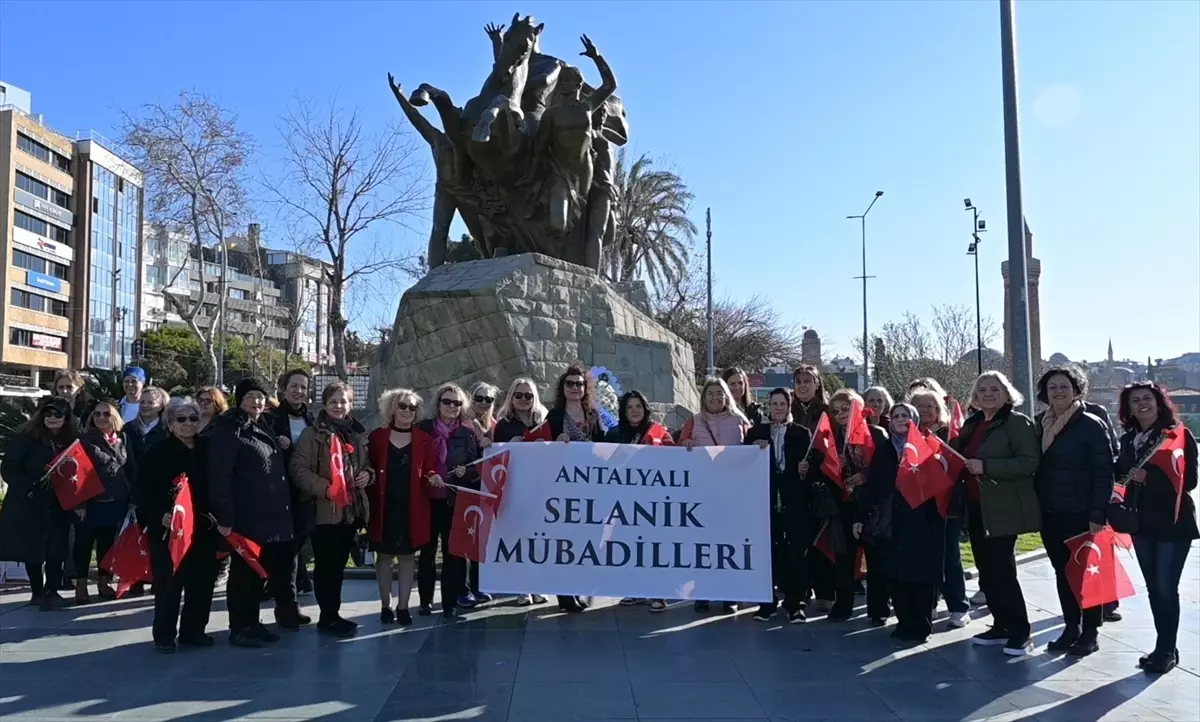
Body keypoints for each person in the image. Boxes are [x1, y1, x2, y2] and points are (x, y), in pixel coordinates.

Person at [952, 371, 1041, 656]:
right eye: (982, 390)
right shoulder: (973, 423)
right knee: (987, 572)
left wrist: (987, 467)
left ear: (1006, 393)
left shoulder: (1017, 423)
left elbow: (1029, 462)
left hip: (1003, 508)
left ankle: (1020, 632)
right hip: (976, 507)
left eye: (994, 389)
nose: (988, 394)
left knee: (1002, 570)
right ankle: (1001, 624)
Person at [208, 378, 300, 648]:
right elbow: (220, 477)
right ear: (239, 400)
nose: (256, 402)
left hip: (268, 516)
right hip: (244, 517)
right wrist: (225, 517)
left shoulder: (263, 426)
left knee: (258, 573)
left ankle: (253, 622)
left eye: (260, 396)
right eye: (250, 396)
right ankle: (240, 627)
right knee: (242, 576)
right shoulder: (230, 429)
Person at [1031, 367, 1115, 656]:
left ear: (1076, 390)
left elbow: (1104, 472)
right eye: (1052, 387)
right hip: (1051, 511)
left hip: (1081, 512)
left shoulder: (1091, 424)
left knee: (1087, 573)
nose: (1058, 391)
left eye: (1064, 386)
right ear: (1045, 393)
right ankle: (1071, 627)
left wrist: (1098, 513)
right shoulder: (1040, 424)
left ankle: (1090, 632)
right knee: (1063, 572)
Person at [1117, 383, 1198, 674]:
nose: (1142, 403)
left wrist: (1148, 479)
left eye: (1147, 398)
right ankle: (1164, 647)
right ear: (1128, 408)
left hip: (1172, 522)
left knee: (1165, 587)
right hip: (1141, 523)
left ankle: (1166, 650)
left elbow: (1189, 481)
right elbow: (1121, 474)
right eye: (1135, 400)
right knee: (1153, 589)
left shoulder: (1177, 435)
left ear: (1159, 402)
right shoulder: (1128, 439)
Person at [855, 403, 946, 643]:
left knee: (920, 573)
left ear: (914, 419)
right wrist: (861, 517)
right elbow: (873, 486)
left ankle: (921, 624)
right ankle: (904, 622)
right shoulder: (884, 450)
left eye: (906, 415)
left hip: (921, 520)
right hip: (891, 521)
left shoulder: (926, 446)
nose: (900, 419)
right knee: (896, 574)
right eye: (896, 415)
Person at [134, 397, 219, 653]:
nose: (188, 423)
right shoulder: (157, 451)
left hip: (203, 527)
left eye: (193, 418)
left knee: (202, 582)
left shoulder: (208, 449)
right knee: (169, 584)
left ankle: (194, 632)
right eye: (181, 419)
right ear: (170, 423)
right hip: (168, 530)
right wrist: (160, 515)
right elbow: (142, 491)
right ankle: (164, 635)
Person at [291, 381, 373, 638]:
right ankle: (328, 616)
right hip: (325, 511)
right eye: (333, 402)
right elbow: (298, 469)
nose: (338, 406)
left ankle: (333, 614)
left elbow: (368, 464)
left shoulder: (357, 433)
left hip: (350, 511)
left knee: (338, 567)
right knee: (327, 567)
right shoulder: (313, 434)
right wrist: (326, 489)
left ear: (351, 404)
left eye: (343, 401)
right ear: (325, 405)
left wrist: (368, 475)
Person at [527, 364, 608, 612]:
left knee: (585, 541)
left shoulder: (592, 415)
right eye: (570, 383)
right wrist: (555, 442)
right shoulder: (554, 416)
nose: (575, 388)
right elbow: (541, 447)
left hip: (589, 487)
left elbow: (603, 445)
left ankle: (578, 588)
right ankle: (564, 594)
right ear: (563, 388)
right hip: (561, 489)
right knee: (565, 542)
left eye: (579, 384)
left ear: (586, 388)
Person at [367, 389, 444, 625]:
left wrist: (433, 476)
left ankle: (403, 607)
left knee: (407, 557)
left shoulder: (424, 439)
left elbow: (429, 467)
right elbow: (368, 466)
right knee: (384, 558)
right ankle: (385, 606)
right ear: (392, 408)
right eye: (402, 406)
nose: (408, 411)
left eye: (412, 407)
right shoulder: (377, 437)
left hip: (411, 508)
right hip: (383, 507)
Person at [680, 376, 751, 614]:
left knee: (730, 544)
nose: (715, 397)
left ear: (726, 396)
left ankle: (730, 594)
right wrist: (685, 443)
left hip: (733, 493)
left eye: (719, 393)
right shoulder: (694, 421)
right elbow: (680, 446)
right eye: (710, 393)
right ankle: (703, 592)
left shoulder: (740, 420)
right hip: (703, 492)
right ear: (703, 397)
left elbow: (752, 447)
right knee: (703, 543)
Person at [0, 396, 76, 610]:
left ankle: (52, 590)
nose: (52, 418)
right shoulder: (26, 437)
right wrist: (29, 487)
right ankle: (37, 591)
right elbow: (9, 467)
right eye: (47, 413)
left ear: (66, 418)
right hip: (30, 501)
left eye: (57, 414)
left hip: (58, 502)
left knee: (57, 547)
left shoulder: (70, 439)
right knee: (33, 548)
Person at [745, 388, 812, 623]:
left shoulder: (802, 433)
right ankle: (766, 604)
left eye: (783, 403)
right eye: (774, 404)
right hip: (766, 501)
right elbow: (743, 462)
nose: (779, 408)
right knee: (767, 553)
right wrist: (754, 449)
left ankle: (795, 604)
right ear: (768, 406)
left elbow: (812, 466)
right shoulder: (756, 432)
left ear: (789, 406)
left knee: (796, 554)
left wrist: (805, 470)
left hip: (794, 502)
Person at [820, 388, 886, 623]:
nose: (840, 414)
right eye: (835, 410)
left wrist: (865, 476)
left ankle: (878, 609)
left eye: (845, 409)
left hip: (869, 506)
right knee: (843, 557)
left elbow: (886, 471)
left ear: (858, 408)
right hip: (843, 504)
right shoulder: (832, 437)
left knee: (875, 559)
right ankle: (843, 605)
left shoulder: (876, 433)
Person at [418, 382, 481, 619]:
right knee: (427, 552)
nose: (452, 406)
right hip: (427, 500)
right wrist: (428, 475)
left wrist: (467, 471)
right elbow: (415, 462)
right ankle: (425, 601)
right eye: (447, 401)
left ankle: (449, 603)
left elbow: (476, 466)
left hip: (454, 501)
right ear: (438, 403)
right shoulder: (424, 429)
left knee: (453, 554)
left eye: (457, 403)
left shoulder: (466, 433)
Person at [909, 387, 970, 629]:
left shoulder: (950, 435)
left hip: (947, 503)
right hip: (919, 505)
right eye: (919, 406)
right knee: (923, 556)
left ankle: (958, 606)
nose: (925, 411)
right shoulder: (909, 434)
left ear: (939, 410)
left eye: (930, 406)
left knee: (950, 556)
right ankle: (929, 602)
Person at [607, 390, 675, 610]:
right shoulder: (614, 434)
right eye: (629, 407)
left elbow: (674, 459)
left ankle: (659, 593)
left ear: (645, 409)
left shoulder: (658, 431)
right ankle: (634, 589)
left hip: (653, 501)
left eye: (638, 406)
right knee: (629, 545)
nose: (634, 411)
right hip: (624, 500)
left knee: (654, 547)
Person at [491, 377, 549, 607]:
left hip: (539, 487)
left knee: (538, 538)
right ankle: (521, 588)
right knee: (517, 538)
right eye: (519, 395)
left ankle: (537, 585)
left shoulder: (543, 421)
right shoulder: (503, 425)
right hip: (513, 488)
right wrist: (510, 445)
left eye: (528, 395)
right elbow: (495, 457)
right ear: (511, 398)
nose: (523, 399)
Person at [72, 400, 135, 604]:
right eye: (97, 414)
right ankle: (81, 584)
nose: (101, 418)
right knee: (84, 544)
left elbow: (130, 467)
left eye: (106, 414)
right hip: (91, 502)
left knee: (107, 544)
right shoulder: (84, 440)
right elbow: (77, 473)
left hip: (116, 500)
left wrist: (132, 495)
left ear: (114, 416)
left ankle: (103, 581)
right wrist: (79, 504)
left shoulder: (123, 438)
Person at [267, 369, 316, 603]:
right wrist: (279, 444)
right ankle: (286, 597)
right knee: (286, 545)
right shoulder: (272, 418)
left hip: (305, 491)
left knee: (297, 542)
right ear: (283, 389)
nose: (298, 391)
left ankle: (294, 585)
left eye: (303, 387)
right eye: (293, 386)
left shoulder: (312, 420)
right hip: (280, 490)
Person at [464, 380, 500, 603]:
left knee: (481, 540)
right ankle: (465, 588)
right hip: (469, 486)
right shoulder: (466, 424)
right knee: (467, 540)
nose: (484, 403)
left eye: (489, 399)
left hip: (487, 488)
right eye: (479, 398)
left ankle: (479, 585)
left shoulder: (494, 424)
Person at [126, 386, 170, 465]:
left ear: (160, 407)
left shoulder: (168, 430)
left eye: (150, 402)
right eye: (142, 402)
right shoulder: (128, 428)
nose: (145, 405)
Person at [790, 365, 827, 431]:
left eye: (806, 381)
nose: (802, 385)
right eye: (798, 382)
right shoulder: (788, 411)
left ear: (817, 385)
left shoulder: (827, 411)